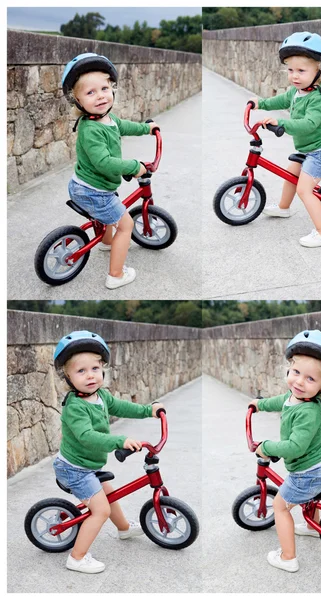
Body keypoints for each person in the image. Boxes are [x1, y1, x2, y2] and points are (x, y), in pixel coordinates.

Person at [52, 330, 165, 574]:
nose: (90, 376)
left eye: (94, 368)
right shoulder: (75, 407)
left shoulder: (101, 395)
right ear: (68, 377)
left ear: (102, 368)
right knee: (100, 510)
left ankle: (124, 529)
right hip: (73, 469)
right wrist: (120, 441)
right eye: (81, 371)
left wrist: (149, 410)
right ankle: (77, 557)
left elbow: (122, 407)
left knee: (110, 494)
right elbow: (88, 437)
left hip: (87, 466)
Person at [249, 329, 321, 572]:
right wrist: (259, 405)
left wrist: (266, 447)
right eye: (296, 372)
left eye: (311, 379)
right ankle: (313, 527)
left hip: (311, 473)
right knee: (308, 495)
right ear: (289, 369)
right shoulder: (297, 397)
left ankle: (288, 557)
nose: (300, 382)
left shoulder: (308, 412)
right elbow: (282, 400)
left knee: (281, 506)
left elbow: (295, 447)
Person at [62, 53, 158, 288]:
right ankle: (115, 275)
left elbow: (123, 125)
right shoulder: (90, 129)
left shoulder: (107, 118)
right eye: (90, 92)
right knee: (126, 225)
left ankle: (106, 242)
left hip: (93, 186)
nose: (100, 96)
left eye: (104, 88)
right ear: (77, 100)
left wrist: (146, 129)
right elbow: (103, 162)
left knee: (110, 208)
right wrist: (135, 167)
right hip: (91, 191)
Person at [249, 32, 321, 248]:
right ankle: (283, 207)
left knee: (304, 190)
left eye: (301, 70)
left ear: (319, 71)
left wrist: (282, 124)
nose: (294, 76)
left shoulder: (318, 98)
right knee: (290, 174)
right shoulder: (296, 91)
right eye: (290, 70)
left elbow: (309, 124)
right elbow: (281, 99)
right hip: (309, 148)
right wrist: (260, 103)